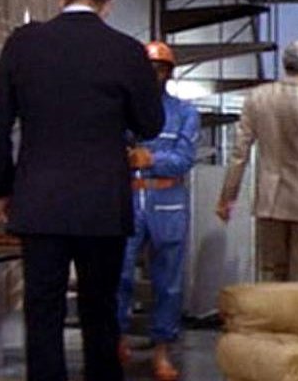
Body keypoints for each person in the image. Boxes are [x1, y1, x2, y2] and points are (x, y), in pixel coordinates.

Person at [0, 0, 164, 381]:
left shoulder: (23, 43)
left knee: (42, 310)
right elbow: (150, 123)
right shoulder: (125, 50)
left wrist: (2, 187)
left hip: (39, 198)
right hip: (102, 202)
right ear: (107, 4)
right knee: (100, 309)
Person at [217, 40, 298, 281]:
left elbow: (239, 153)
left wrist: (227, 198)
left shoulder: (257, 97)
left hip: (269, 200)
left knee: (270, 275)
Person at [116, 42, 200, 381]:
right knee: (119, 274)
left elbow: (184, 158)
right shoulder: (123, 111)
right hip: (128, 197)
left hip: (168, 201)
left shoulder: (185, 112)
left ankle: (162, 350)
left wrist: (151, 158)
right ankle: (117, 338)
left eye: (161, 69)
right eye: (149, 68)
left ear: (170, 72)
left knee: (169, 282)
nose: (155, 75)